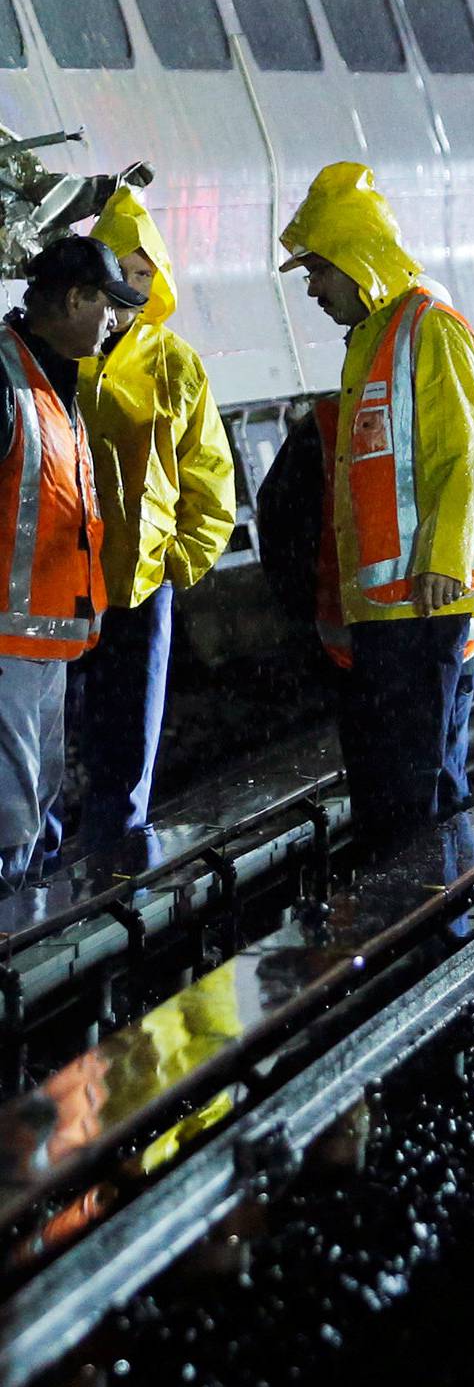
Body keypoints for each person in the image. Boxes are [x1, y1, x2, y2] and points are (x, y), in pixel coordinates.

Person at [277, 164, 474, 865]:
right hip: (391, 609)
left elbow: (462, 452)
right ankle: (429, 933)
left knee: (414, 800)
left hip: (426, 601)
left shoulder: (428, 327)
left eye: (318, 271)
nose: (313, 290)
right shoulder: (373, 339)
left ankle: (435, 938)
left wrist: (442, 560)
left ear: (357, 260)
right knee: (404, 792)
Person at [71, 186, 236, 857]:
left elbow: (210, 473)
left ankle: (116, 861)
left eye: (144, 274)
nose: (132, 288)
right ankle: (48, 871)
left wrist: (180, 558)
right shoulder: (60, 352)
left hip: (141, 583)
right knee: (53, 736)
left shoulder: (175, 363)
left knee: (127, 738)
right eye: (121, 271)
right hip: (63, 581)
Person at [0, 237, 137, 892]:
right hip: (5, 653)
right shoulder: (6, 379)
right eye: (108, 305)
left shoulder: (52, 381)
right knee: (6, 829)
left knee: (27, 823)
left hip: (41, 650)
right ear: (76, 297)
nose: (114, 321)